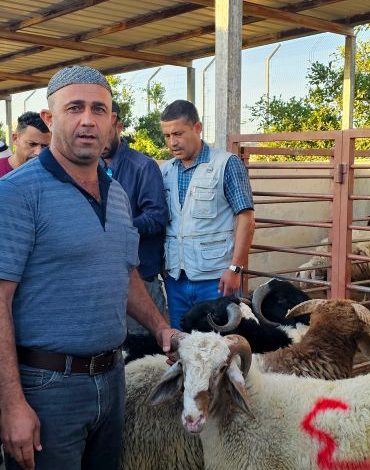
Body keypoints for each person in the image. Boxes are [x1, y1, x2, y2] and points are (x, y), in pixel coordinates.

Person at [0, 65, 177, 470]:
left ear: (112, 122)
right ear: (50, 118)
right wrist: (11, 404)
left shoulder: (117, 194)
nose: (87, 120)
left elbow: (125, 272)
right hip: (46, 388)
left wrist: (160, 326)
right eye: (74, 107)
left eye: (99, 110)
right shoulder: (16, 193)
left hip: (113, 378)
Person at [159, 99, 255, 329]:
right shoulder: (165, 171)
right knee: (182, 345)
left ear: (197, 128)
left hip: (216, 279)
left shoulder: (226, 164)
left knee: (221, 347)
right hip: (176, 279)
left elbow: (246, 218)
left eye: (178, 134)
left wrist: (235, 268)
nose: (172, 142)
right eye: (167, 136)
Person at [102, 99, 169, 333]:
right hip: (105, 279)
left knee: (143, 351)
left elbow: (157, 217)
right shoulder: (90, 167)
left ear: (118, 125)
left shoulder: (143, 166)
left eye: (105, 129)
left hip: (140, 278)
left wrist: (116, 226)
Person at [0, 112, 50, 178]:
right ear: (15, 138)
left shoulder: (53, 172)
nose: (39, 152)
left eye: (45, 146)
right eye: (32, 144)